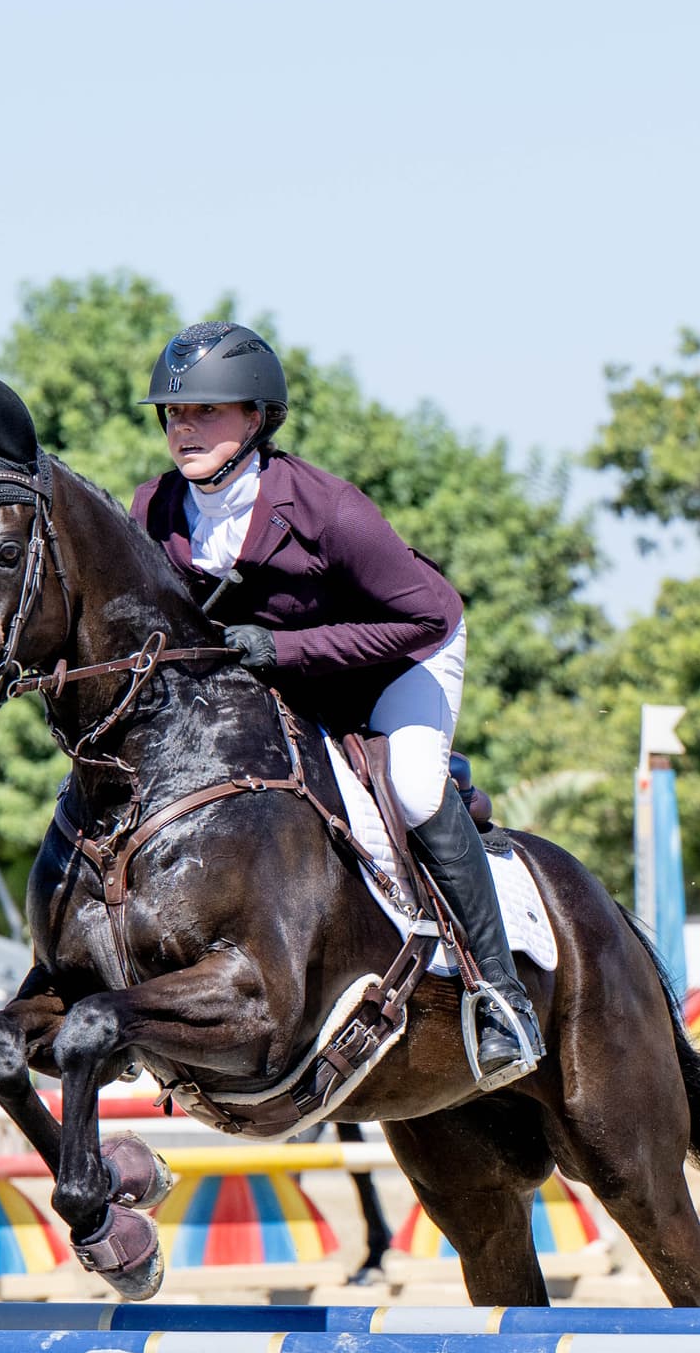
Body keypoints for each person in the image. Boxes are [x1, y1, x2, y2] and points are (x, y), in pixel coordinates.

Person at [127, 320, 542, 1085]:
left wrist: (283, 650)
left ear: (256, 419)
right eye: (174, 415)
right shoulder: (155, 508)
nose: (184, 429)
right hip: (280, 686)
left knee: (415, 786)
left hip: (400, 661)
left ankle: (499, 997)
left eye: (206, 412)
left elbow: (428, 614)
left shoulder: (329, 510)